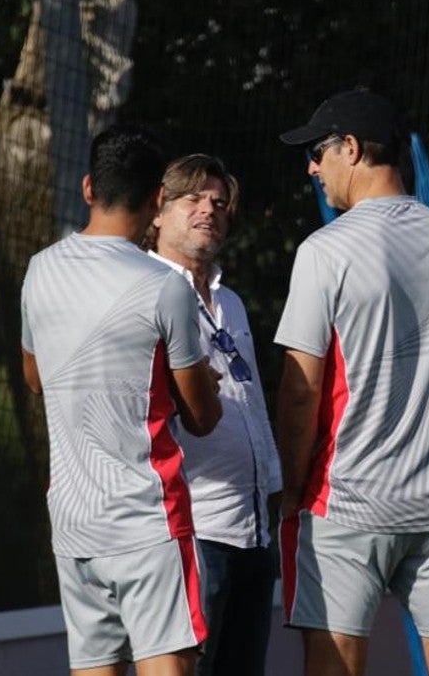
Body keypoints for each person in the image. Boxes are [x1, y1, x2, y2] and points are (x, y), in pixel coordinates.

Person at [274, 89, 429, 676]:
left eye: (318, 152)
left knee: (336, 664)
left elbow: (302, 388)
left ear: (350, 149)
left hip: (347, 502)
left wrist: (293, 489)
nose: (312, 167)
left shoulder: (324, 252)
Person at [20, 124, 223, 676]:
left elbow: (36, 377)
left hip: (74, 526)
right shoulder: (165, 287)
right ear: (158, 199)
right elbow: (203, 417)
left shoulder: (39, 271)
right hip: (146, 523)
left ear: (89, 187)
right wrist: (205, 380)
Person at [142, 153, 283, 676]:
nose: (210, 209)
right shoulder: (146, 294)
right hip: (194, 527)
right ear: (158, 209)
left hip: (253, 530)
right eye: (193, 198)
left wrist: (274, 481)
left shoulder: (233, 302)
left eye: (220, 202)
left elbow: (251, 400)